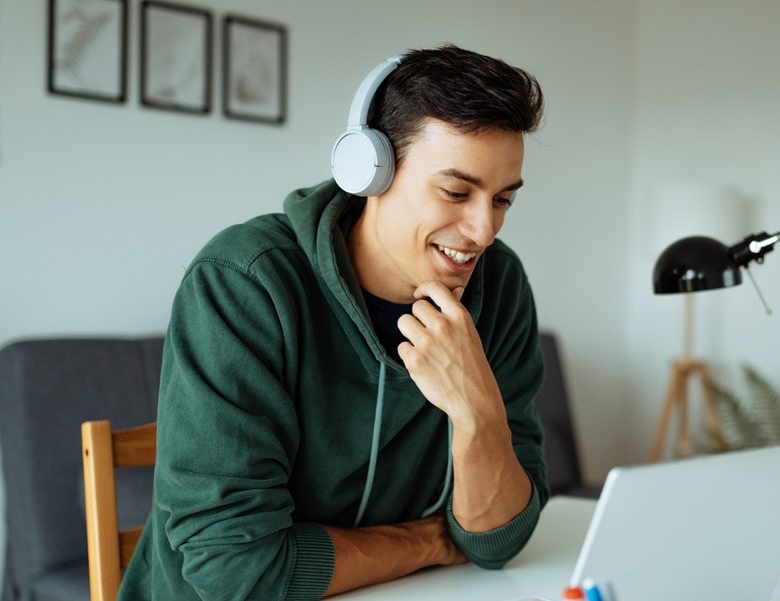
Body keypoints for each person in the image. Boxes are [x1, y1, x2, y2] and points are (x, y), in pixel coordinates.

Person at [117, 44, 549, 600]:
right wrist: (432, 543)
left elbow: (498, 542)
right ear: (368, 171)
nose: (483, 231)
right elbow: (237, 571)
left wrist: (478, 412)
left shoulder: (501, 287)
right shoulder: (245, 282)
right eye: (456, 192)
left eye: (503, 200)